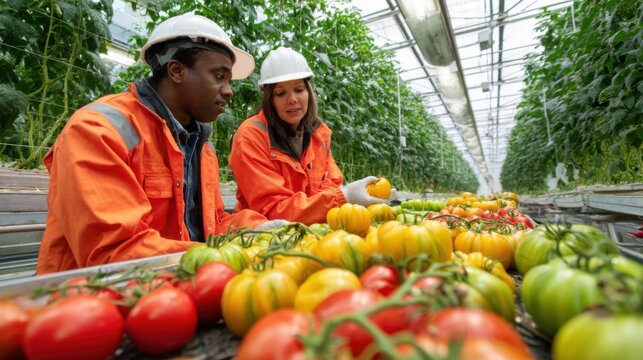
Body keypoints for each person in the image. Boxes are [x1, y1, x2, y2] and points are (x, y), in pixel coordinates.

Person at [36, 13, 283, 274]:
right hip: (84, 298)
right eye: (219, 76)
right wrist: (218, 258)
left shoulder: (201, 146)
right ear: (176, 71)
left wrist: (257, 228)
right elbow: (113, 251)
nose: (228, 90)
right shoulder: (97, 131)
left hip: (172, 284)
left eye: (228, 80)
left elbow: (212, 222)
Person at [228, 47, 386, 225]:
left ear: (309, 92)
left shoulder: (319, 134)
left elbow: (330, 183)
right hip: (261, 235)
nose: (292, 99)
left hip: (310, 230)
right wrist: (344, 197)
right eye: (281, 93)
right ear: (269, 99)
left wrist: (342, 198)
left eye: (299, 90)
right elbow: (273, 209)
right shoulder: (251, 136)